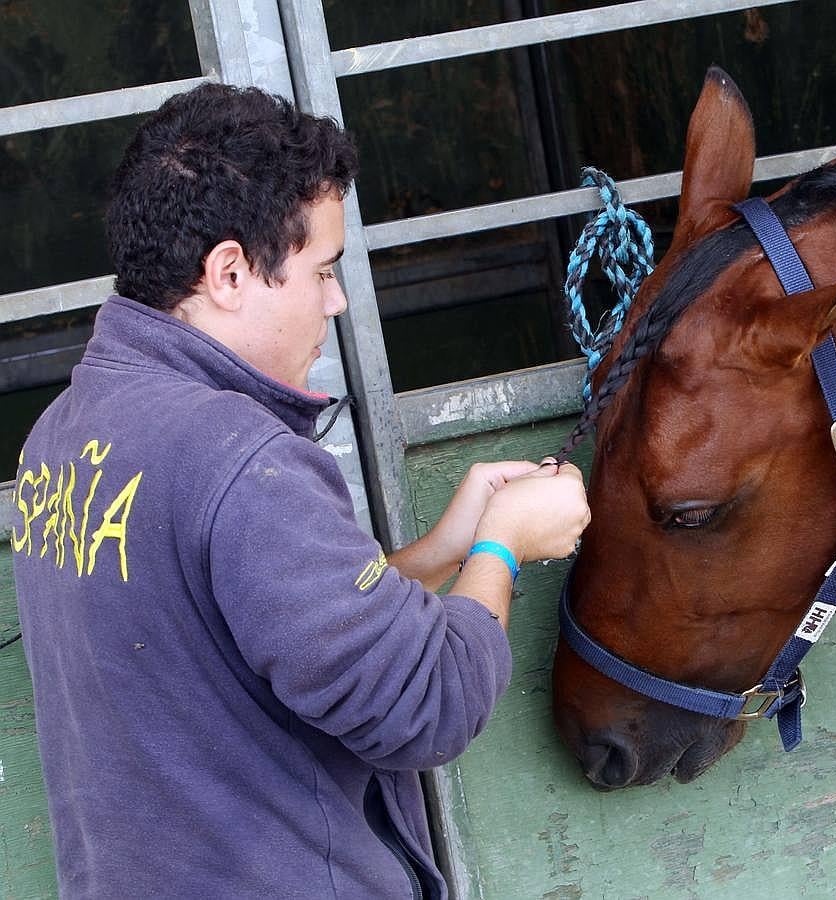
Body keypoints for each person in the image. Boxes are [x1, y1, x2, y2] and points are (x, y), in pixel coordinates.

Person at [10, 82, 589, 898]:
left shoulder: (62, 436)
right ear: (230, 272)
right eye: (321, 270)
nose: (338, 300)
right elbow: (426, 703)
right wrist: (504, 545)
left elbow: (255, 627)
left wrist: (442, 551)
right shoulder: (239, 457)